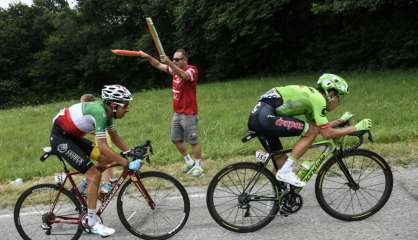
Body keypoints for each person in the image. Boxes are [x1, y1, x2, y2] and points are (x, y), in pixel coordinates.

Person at [248, 73, 372, 187]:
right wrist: (355, 128)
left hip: (260, 118)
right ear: (331, 95)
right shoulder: (318, 99)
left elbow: (321, 128)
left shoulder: (312, 97)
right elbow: (326, 134)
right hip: (264, 118)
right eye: (340, 98)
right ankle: (285, 171)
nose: (339, 102)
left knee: (281, 160)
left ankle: (277, 200)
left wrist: (339, 122)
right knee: (309, 132)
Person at [50, 85, 141, 237]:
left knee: (105, 161)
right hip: (61, 138)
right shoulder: (100, 113)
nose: (127, 109)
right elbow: (104, 146)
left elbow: (115, 137)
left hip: (72, 137)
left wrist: (131, 152)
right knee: (95, 175)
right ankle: (92, 223)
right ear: (114, 104)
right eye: (125, 105)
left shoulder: (107, 112)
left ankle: (83, 188)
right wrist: (127, 163)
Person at [138, 49, 203, 177]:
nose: (174, 61)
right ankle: (189, 162)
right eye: (173, 59)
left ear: (185, 60)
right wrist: (148, 56)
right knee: (175, 139)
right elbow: (158, 65)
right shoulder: (174, 70)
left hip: (189, 113)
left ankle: (198, 166)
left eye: (177, 59)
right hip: (177, 112)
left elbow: (184, 76)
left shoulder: (192, 70)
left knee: (193, 141)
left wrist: (169, 63)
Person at [80, 93, 114, 194]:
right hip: (100, 137)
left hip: (102, 137)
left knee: (107, 159)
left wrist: (85, 132)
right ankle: (106, 181)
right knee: (105, 160)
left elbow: (97, 128)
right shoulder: (92, 113)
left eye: (83, 104)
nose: (82, 107)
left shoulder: (95, 112)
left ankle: (107, 182)